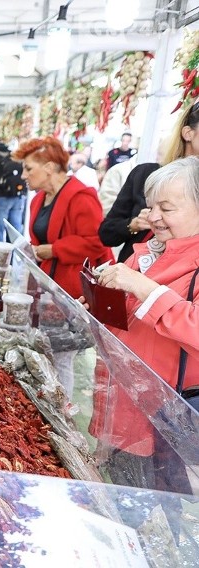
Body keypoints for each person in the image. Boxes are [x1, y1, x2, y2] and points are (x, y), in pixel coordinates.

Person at [86, 157, 199, 496]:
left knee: (162, 507)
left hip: (166, 418)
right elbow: (126, 314)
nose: (153, 218)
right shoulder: (149, 250)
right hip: (121, 402)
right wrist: (97, 299)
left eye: (167, 208)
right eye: (151, 207)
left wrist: (145, 288)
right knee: (122, 498)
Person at [14, 136, 112, 299]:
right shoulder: (39, 199)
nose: (23, 175)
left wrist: (54, 250)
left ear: (49, 167)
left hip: (75, 294)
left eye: (29, 169)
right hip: (48, 287)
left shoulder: (82, 197)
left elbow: (97, 243)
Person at [100, 102, 199, 263]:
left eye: (166, 208)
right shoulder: (144, 174)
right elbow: (107, 234)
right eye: (155, 206)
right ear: (188, 133)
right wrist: (133, 225)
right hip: (130, 273)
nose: (155, 216)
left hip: (181, 284)